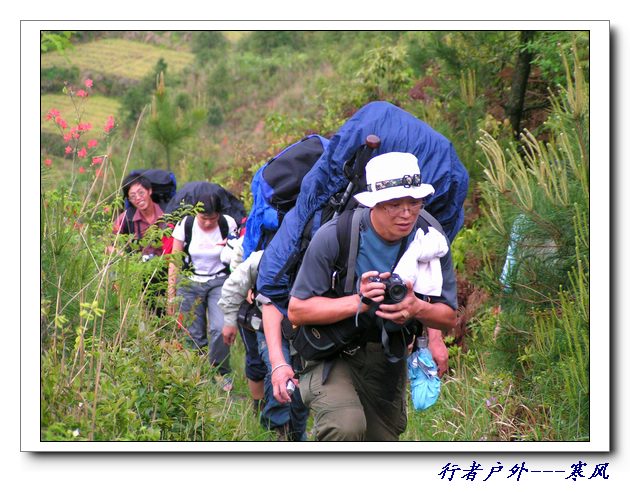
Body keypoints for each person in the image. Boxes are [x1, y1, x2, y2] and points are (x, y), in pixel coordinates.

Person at [286, 152, 457, 441]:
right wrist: (358, 300)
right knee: (346, 427)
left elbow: (448, 315)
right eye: (394, 204)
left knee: (383, 443)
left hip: (387, 354)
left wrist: (415, 307)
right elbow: (297, 310)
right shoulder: (335, 236)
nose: (407, 213)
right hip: (330, 351)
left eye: (414, 203)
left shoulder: (429, 241)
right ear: (374, 204)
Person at [218, 247, 309, 441]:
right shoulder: (265, 258)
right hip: (268, 327)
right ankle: (277, 430)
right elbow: (233, 286)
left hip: (306, 330)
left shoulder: (320, 255)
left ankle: (297, 434)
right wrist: (229, 322)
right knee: (278, 374)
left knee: (302, 384)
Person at [167, 193, 237, 388]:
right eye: (203, 219)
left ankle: (220, 371)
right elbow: (174, 260)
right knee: (193, 334)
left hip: (219, 281)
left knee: (220, 327)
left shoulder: (228, 223)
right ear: (196, 214)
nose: (207, 223)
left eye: (212, 219)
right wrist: (171, 294)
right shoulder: (186, 224)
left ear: (219, 215)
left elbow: (237, 253)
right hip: (190, 282)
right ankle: (196, 374)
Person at [112, 173, 165, 256]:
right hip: (138, 267)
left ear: (149, 191)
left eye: (141, 193)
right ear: (129, 199)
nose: (138, 198)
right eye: (133, 196)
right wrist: (126, 259)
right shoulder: (127, 217)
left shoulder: (166, 213)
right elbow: (108, 241)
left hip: (166, 264)